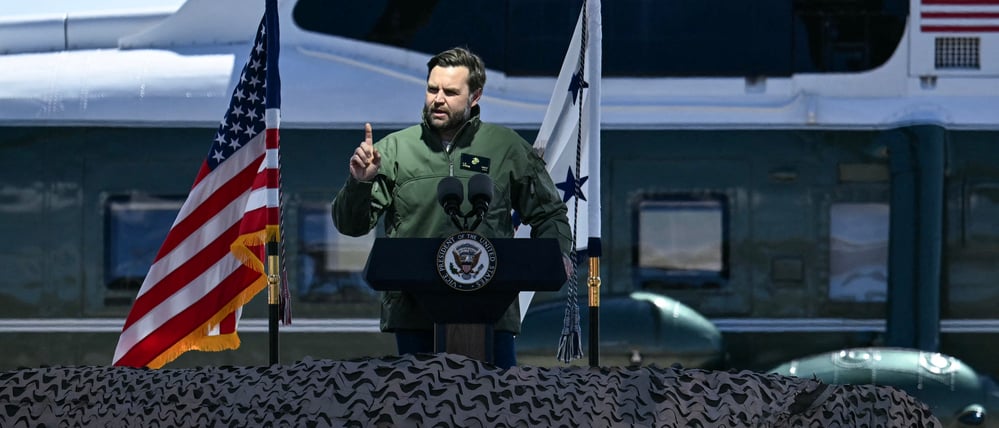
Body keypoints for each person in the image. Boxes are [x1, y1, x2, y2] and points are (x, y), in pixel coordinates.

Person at [331, 47, 572, 369]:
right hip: (413, 312)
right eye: (433, 89)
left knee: (498, 408)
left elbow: (548, 213)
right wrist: (360, 182)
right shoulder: (392, 150)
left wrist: (559, 252)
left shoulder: (507, 148)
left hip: (492, 312)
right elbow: (351, 225)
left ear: (475, 96)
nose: (438, 99)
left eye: (450, 92)